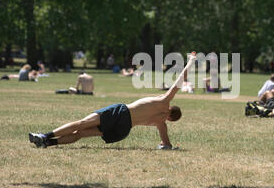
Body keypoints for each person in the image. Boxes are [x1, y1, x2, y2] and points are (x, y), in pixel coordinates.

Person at [28, 52, 197, 150]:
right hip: (123, 130)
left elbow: (180, 80)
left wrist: (190, 60)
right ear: (170, 119)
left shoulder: (164, 101)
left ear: (171, 108)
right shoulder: (162, 123)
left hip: (121, 113)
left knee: (81, 124)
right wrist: (165, 145)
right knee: (80, 134)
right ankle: (47, 143)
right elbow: (166, 144)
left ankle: (45, 136)